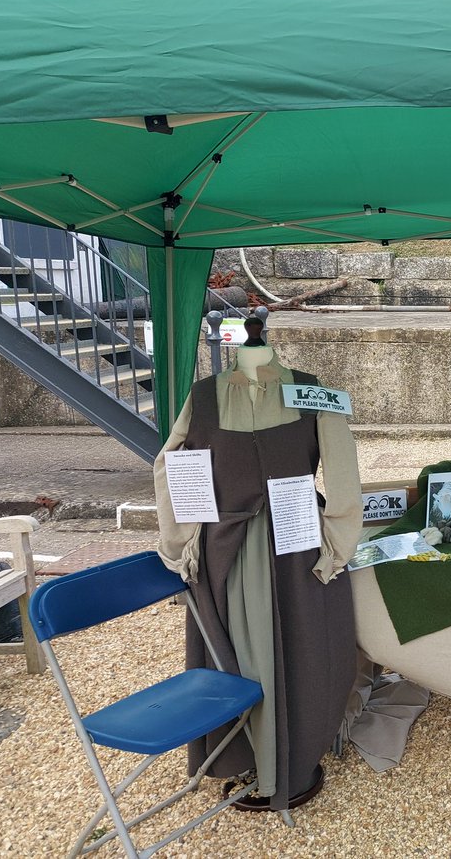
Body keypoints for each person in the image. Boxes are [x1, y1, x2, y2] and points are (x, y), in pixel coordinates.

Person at [153, 318, 363, 811]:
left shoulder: (313, 392)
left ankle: (295, 756)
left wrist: (335, 545)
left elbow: (343, 468)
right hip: (226, 553)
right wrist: (182, 542)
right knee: (237, 656)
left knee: (302, 648)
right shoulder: (204, 397)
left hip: (299, 550)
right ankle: (247, 757)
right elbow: (172, 465)